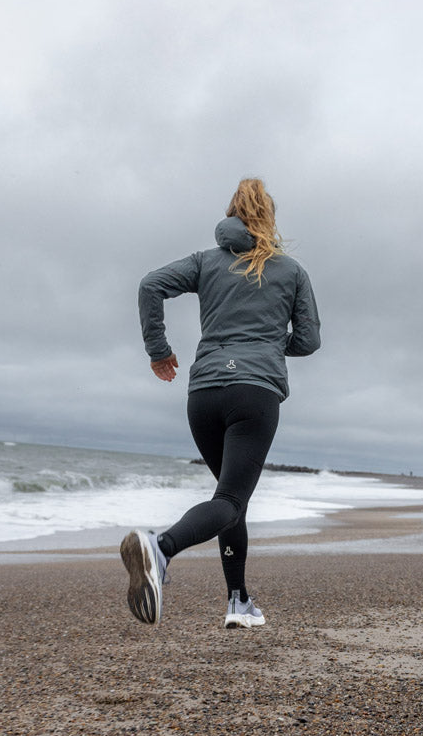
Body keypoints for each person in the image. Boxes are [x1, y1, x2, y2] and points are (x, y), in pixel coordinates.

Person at [120, 178, 321, 629]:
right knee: (231, 498)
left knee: (230, 500)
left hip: (204, 394)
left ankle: (239, 601)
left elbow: (150, 285)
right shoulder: (290, 271)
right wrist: (267, 345)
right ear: (268, 218)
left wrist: (158, 350)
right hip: (254, 393)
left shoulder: (204, 262)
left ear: (231, 215)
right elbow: (309, 340)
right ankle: (160, 548)